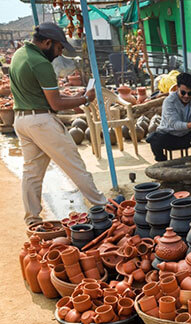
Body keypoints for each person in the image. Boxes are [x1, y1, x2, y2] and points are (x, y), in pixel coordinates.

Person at [9, 22, 107, 226]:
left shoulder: (19, 55)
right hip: (41, 122)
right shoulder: (41, 63)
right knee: (74, 165)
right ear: (47, 42)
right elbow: (56, 103)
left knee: (32, 173)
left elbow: (41, 94)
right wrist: (85, 99)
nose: (60, 53)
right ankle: (103, 208)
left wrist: (74, 97)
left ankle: (32, 220)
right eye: (59, 48)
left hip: (21, 119)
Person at [146, 72, 191, 161]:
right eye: (183, 92)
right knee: (154, 139)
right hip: (169, 136)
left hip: (185, 136)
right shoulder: (169, 101)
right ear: (177, 88)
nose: (186, 96)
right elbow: (174, 124)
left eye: (189, 93)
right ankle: (163, 164)